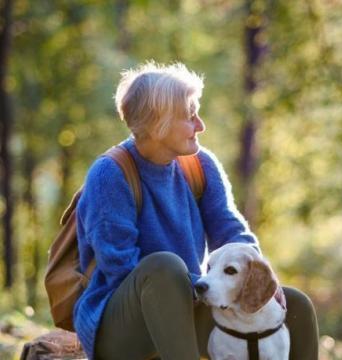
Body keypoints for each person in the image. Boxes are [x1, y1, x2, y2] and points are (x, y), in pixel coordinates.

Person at [73, 61, 319, 360]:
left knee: (295, 305)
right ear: (158, 122)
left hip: (190, 304)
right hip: (122, 328)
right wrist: (200, 285)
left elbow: (231, 230)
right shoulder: (110, 174)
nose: (200, 125)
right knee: (164, 267)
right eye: (190, 116)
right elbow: (119, 266)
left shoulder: (200, 165)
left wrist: (260, 276)